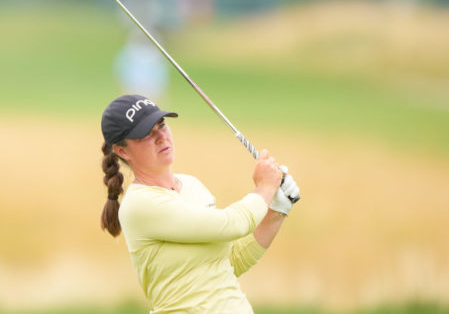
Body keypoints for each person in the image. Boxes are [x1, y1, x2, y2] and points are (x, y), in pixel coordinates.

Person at [99, 94, 300, 313]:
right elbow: (232, 224)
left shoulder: (192, 185)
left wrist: (278, 208)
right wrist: (265, 188)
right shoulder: (139, 205)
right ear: (122, 151)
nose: (160, 137)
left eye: (162, 125)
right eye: (146, 133)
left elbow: (231, 261)